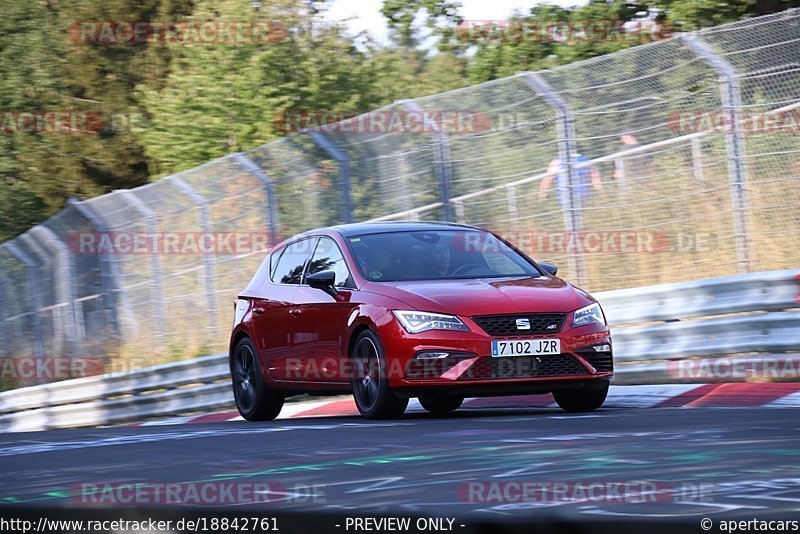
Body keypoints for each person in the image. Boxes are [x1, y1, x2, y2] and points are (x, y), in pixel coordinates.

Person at [538, 153, 602, 207]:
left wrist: (542, 196)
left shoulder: (557, 162)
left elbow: (547, 179)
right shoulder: (585, 160)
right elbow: (595, 178)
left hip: (571, 198)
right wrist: (601, 194)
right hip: (576, 197)